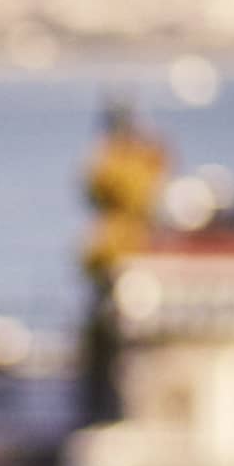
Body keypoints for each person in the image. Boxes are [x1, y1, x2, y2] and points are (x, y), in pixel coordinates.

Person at [80, 99, 169, 422]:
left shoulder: (126, 161)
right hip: (115, 259)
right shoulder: (131, 158)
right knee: (106, 338)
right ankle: (103, 403)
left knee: (118, 336)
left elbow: (105, 188)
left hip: (125, 260)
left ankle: (112, 405)